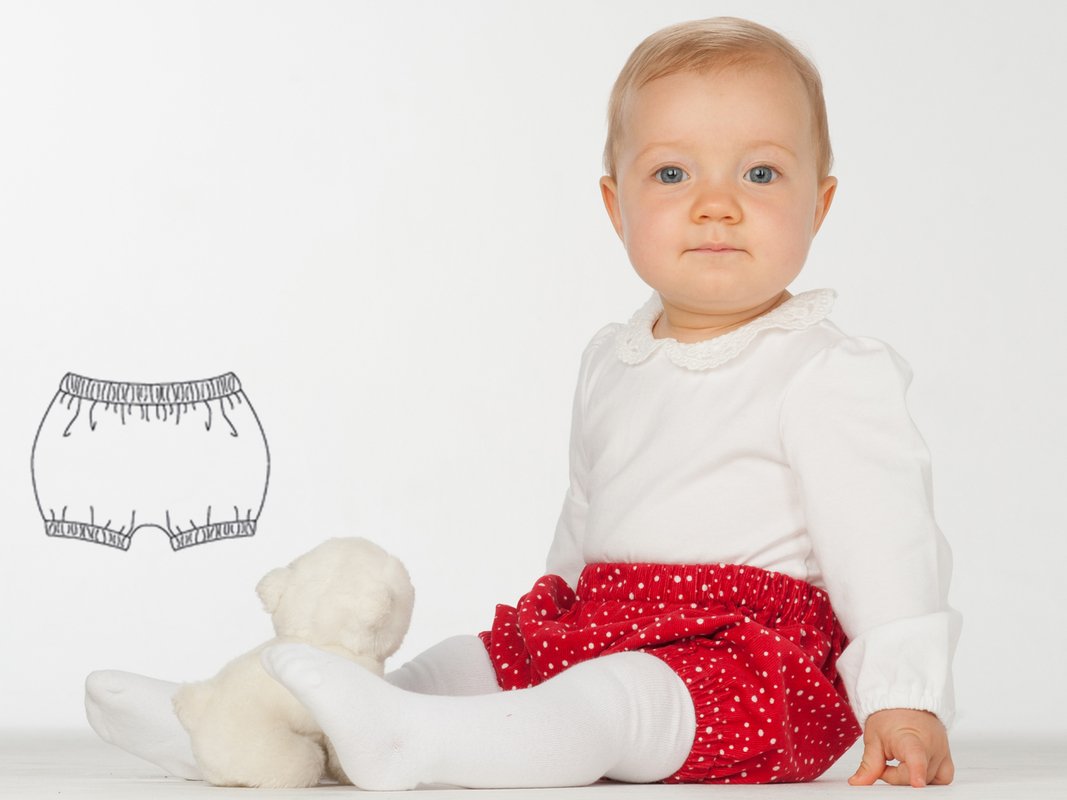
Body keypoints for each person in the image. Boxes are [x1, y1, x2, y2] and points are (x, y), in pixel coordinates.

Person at [85, 16, 960, 789]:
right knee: (467, 663)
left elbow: (886, 543)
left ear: (820, 204)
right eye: (671, 173)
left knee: (609, 700)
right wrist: (551, 623)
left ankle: (414, 742)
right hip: (610, 618)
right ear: (616, 207)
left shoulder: (826, 370)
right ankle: (254, 725)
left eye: (761, 173)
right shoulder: (613, 359)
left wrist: (904, 696)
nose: (716, 205)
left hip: (747, 666)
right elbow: (586, 514)